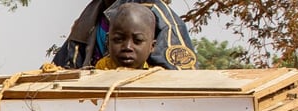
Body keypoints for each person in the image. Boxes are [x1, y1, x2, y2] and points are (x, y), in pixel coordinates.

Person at [52, 0, 197, 71]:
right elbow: (58, 72)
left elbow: (182, 82)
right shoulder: (90, 16)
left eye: (137, 40)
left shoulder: (162, 19)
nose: (128, 46)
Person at [94, 3, 156, 70]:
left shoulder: (159, 77)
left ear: (152, 46)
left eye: (138, 40)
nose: (127, 47)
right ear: (108, 42)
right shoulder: (98, 72)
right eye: (118, 39)